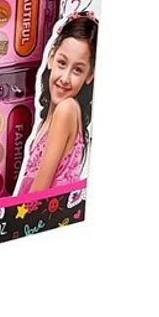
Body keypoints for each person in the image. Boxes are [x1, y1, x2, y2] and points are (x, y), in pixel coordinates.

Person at [17, 13, 98, 194]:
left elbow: (38, 193)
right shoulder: (50, 119)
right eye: (62, 63)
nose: (65, 78)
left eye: (77, 70)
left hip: (32, 209)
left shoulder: (66, 110)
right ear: (51, 58)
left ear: (89, 75)